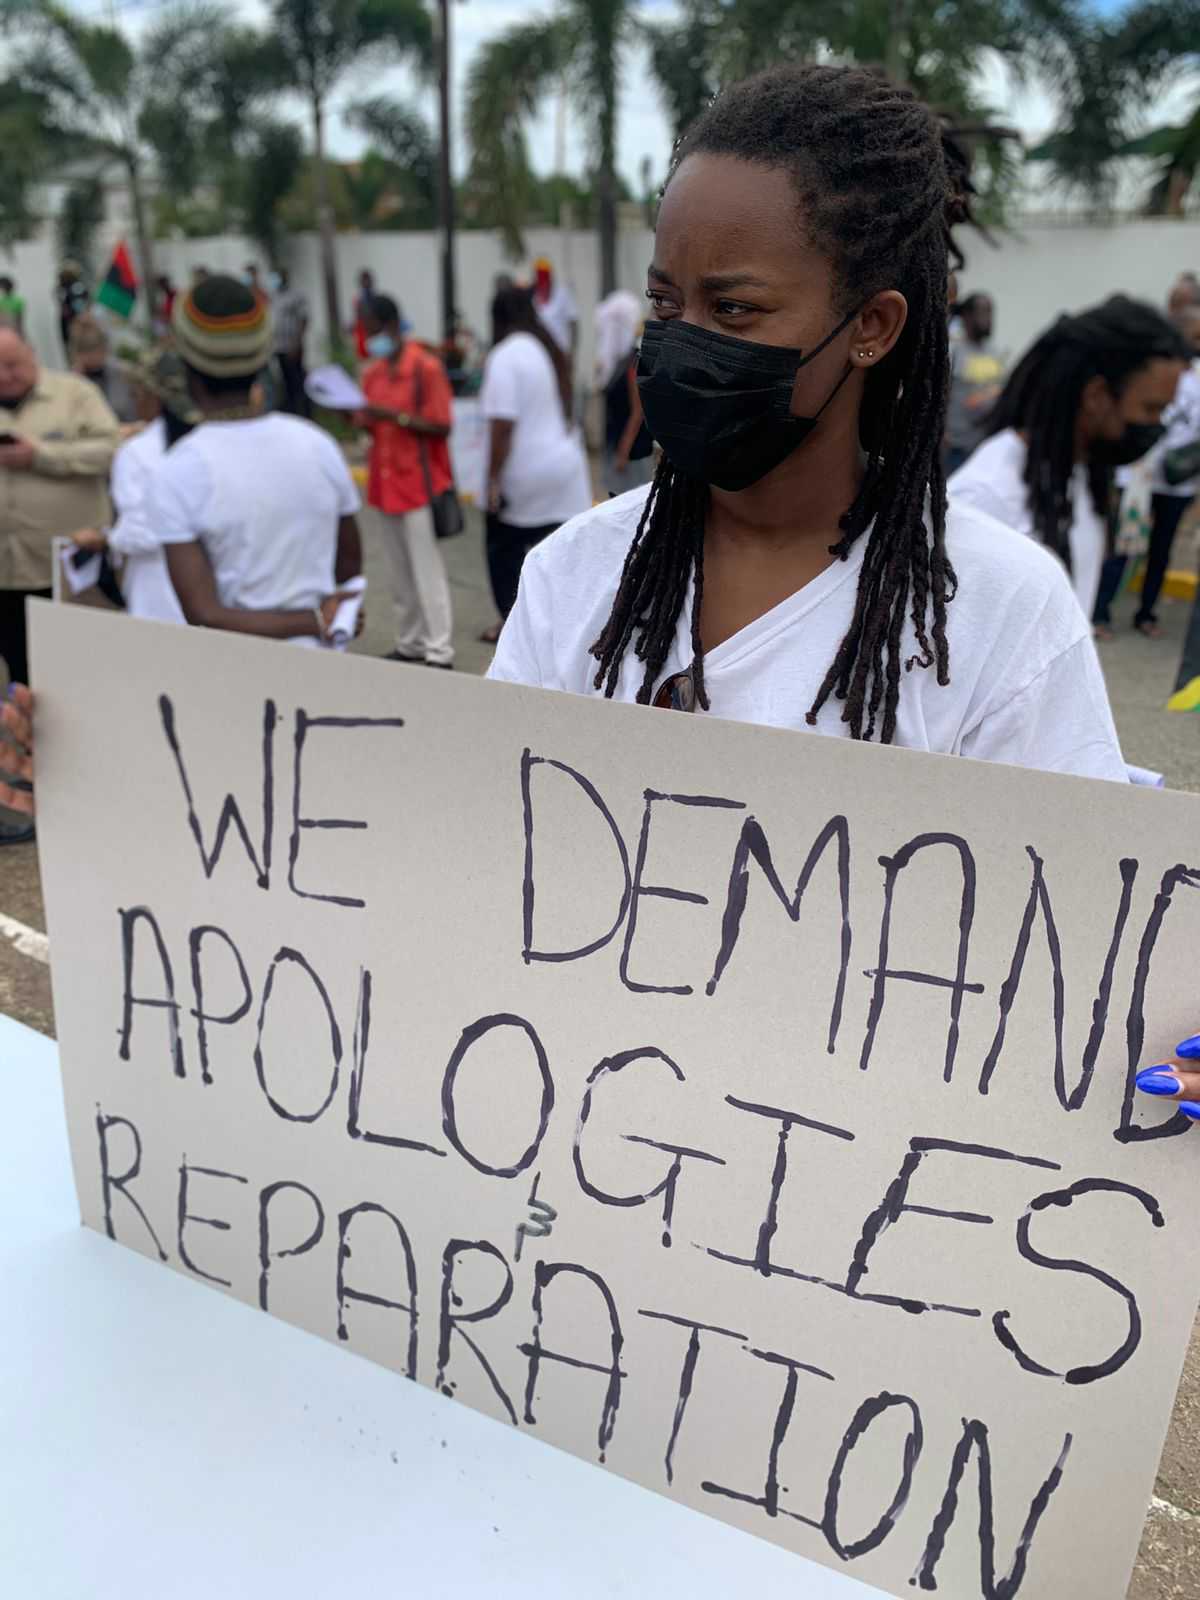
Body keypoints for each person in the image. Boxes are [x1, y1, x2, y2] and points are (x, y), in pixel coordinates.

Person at [147, 274, 363, 644]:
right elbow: (347, 565)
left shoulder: (179, 469)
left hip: (238, 676)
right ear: (263, 357)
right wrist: (317, 620)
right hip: (326, 669)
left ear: (186, 363)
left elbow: (203, 613)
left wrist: (310, 621)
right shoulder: (317, 444)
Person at [948, 297, 1189, 620]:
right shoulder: (987, 496)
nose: (1157, 425)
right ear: (1096, 396)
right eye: (1150, 409)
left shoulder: (1080, 475)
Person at [0, 323, 118, 841]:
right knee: (18, 686)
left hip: (61, 572)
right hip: (4, 573)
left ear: (32, 355)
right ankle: (25, 788)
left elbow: (110, 448)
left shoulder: (75, 395)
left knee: (69, 684)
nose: (6, 376)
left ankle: (88, 785)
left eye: (14, 364)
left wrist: (41, 457)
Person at [479, 286, 591, 641]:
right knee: (560, 556)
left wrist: (492, 481)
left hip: (526, 472)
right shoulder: (548, 347)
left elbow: (502, 426)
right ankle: (564, 629)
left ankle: (515, 630)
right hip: (565, 468)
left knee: (503, 552)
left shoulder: (505, 356)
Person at [357, 294, 456, 667]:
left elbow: (442, 424)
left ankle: (439, 648)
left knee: (426, 569)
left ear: (392, 326)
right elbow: (368, 418)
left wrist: (391, 416)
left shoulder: (425, 369)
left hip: (416, 482)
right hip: (385, 484)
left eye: (372, 329)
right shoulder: (374, 373)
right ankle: (411, 641)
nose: (369, 337)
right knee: (398, 573)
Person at [1093, 309, 1200, 638]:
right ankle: (1100, 613)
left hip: (1179, 481)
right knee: (1124, 545)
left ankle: (1146, 613)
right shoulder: (1153, 370)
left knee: (1161, 549)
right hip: (1138, 475)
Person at [70, 350, 198, 625]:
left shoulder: (138, 452)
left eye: (137, 392)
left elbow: (141, 532)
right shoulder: (216, 440)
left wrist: (106, 539)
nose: (134, 400)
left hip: (158, 595)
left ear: (153, 396)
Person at [944, 292, 1003, 473]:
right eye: (983, 312)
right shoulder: (954, 351)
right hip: (957, 447)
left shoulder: (996, 353)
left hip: (985, 446)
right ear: (967, 316)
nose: (988, 319)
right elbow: (940, 395)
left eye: (990, 313)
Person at [67, 315, 139, 425]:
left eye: (96, 351)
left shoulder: (122, 372)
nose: (93, 357)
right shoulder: (72, 382)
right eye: (87, 353)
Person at [272, 267, 310, 417]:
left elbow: (303, 320)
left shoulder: (296, 296)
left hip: (293, 347)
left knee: (298, 382)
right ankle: (292, 413)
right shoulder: (275, 297)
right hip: (279, 347)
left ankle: (305, 414)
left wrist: (296, 344)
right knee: (286, 383)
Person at [531, 257, 578, 361]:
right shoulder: (532, 297)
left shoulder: (563, 294)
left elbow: (573, 323)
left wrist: (572, 351)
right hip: (539, 354)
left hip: (560, 353)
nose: (543, 286)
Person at [57, 260, 89, 354]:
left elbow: (80, 307)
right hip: (66, 323)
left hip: (76, 322)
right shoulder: (62, 288)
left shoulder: (77, 287)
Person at [351, 269, 376, 361]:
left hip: (374, 339)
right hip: (363, 340)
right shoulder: (358, 301)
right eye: (364, 281)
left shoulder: (376, 299)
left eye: (368, 280)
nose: (366, 283)